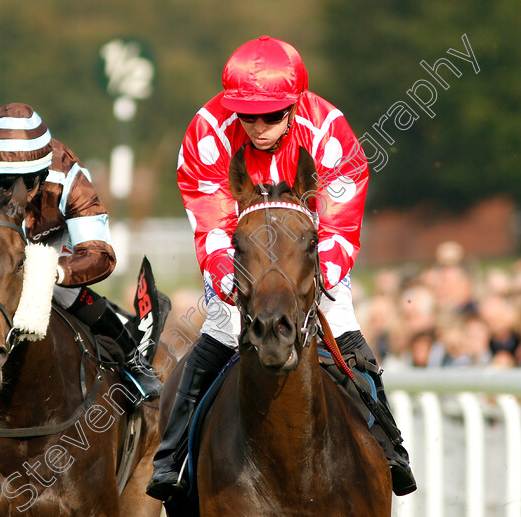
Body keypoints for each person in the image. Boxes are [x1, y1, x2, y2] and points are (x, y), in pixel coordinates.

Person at [146, 36, 416, 500]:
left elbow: (339, 219)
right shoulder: (208, 131)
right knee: (223, 321)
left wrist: (321, 275)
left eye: (271, 115)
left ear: (294, 104)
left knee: (342, 316)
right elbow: (211, 220)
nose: (257, 126)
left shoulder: (329, 128)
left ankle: (390, 446)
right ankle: (171, 457)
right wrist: (225, 273)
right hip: (243, 252)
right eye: (246, 115)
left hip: (311, 249)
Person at [0, 103, 163, 421]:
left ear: (44, 173)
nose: (13, 194)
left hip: (52, 241)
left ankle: (132, 363)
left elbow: (101, 254)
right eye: (1, 184)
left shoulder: (69, 175)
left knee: (65, 294)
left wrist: (52, 271)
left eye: (25, 183)